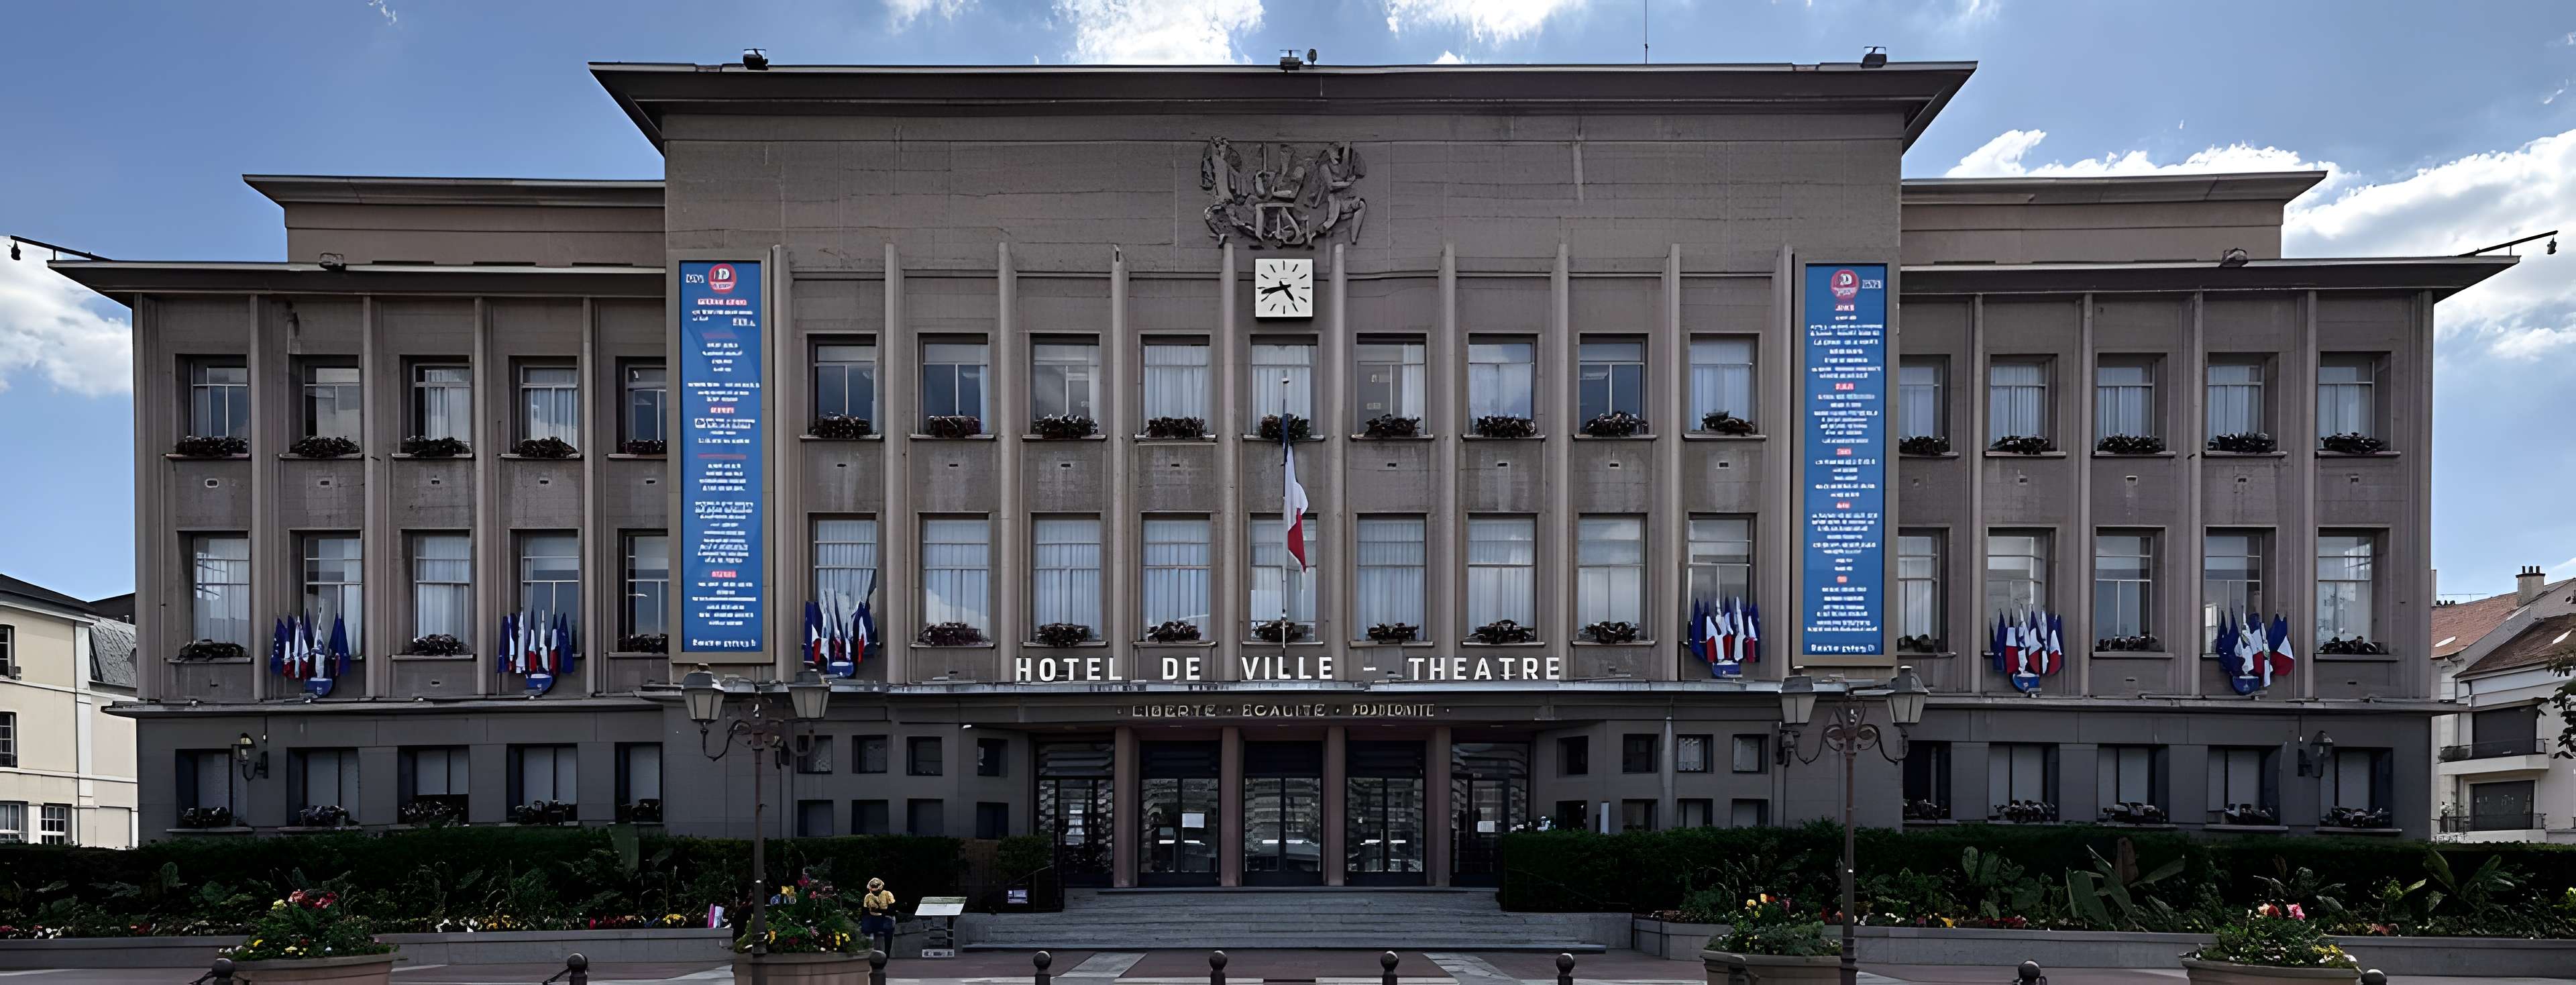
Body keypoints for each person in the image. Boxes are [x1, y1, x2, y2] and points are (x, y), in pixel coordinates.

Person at [860, 877, 897, 953]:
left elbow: (892, 911)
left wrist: (879, 910)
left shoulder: (888, 894)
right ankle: (868, 951)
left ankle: (887, 953)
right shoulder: (868, 896)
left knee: (888, 928)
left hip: (886, 917)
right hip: (873, 918)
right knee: (866, 926)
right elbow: (865, 911)